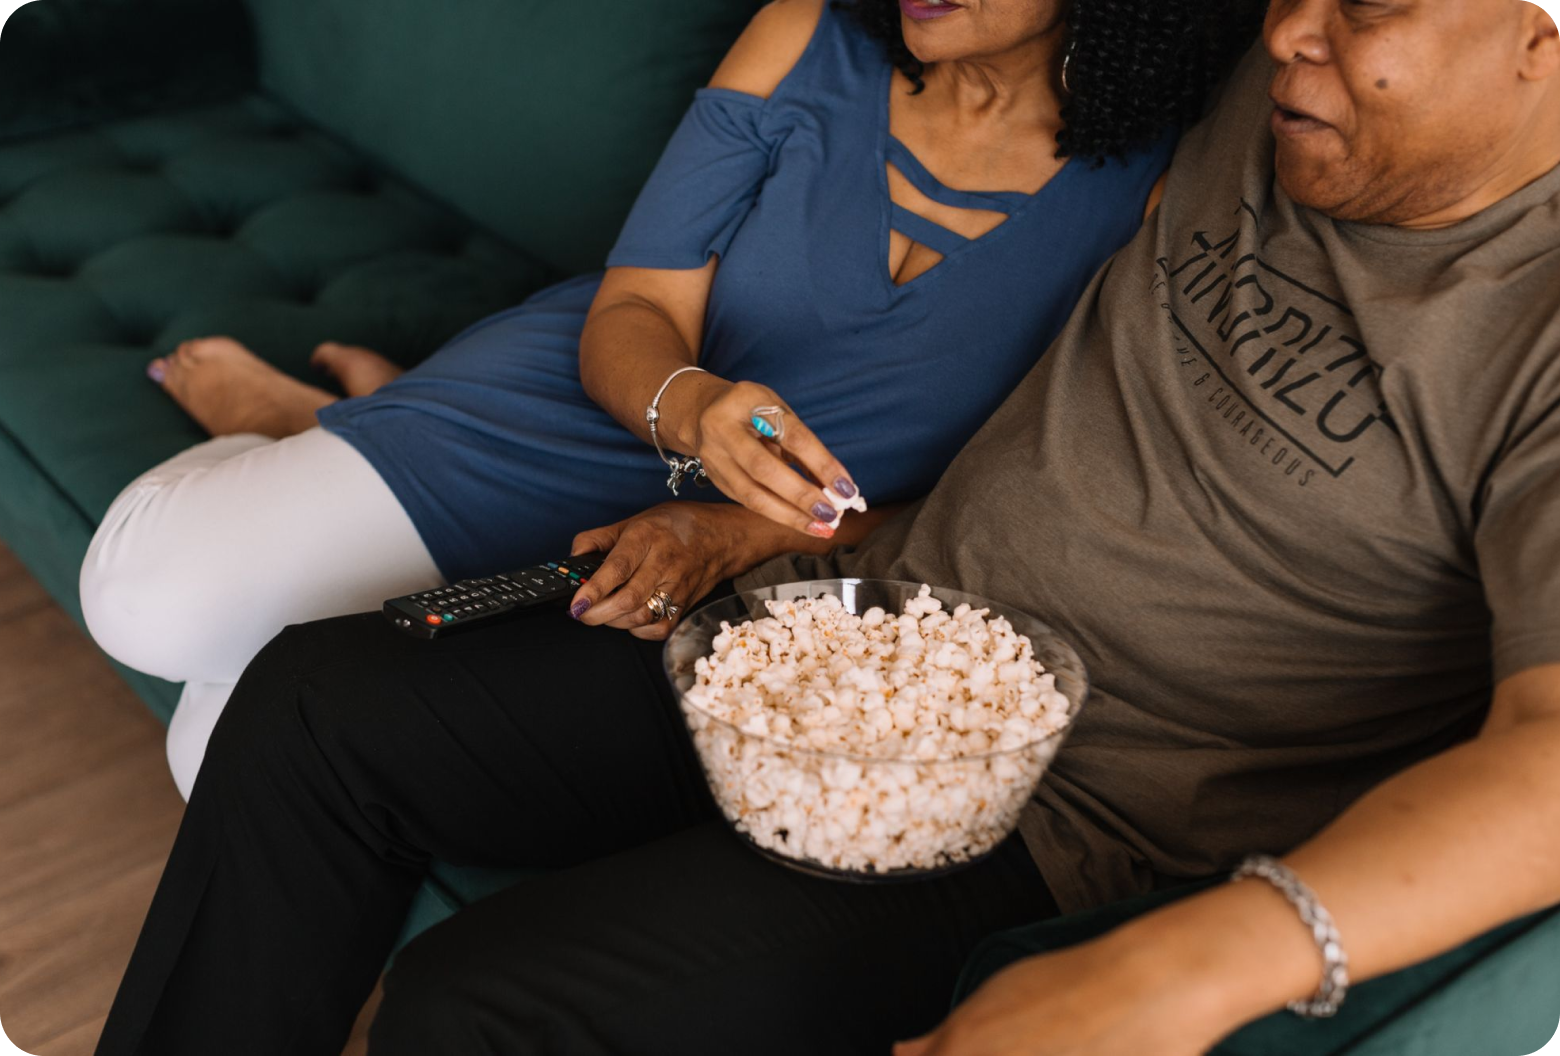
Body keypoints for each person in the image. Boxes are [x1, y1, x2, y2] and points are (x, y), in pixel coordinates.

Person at [93, 1, 1560, 1054]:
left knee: (475, 1006)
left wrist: (1186, 971)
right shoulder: (1261, 88)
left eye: (1364, 2)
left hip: (1055, 813)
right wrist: (753, 539)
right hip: (851, 619)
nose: (1292, 26)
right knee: (309, 704)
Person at [76, 0, 1249, 800]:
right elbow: (637, 302)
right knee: (147, 607)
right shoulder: (810, 34)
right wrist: (689, 412)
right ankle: (285, 431)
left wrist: (741, 529)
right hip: (577, 404)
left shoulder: (1162, 186)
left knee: (231, 748)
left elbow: (1020, 483)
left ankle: (335, 438)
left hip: (749, 548)